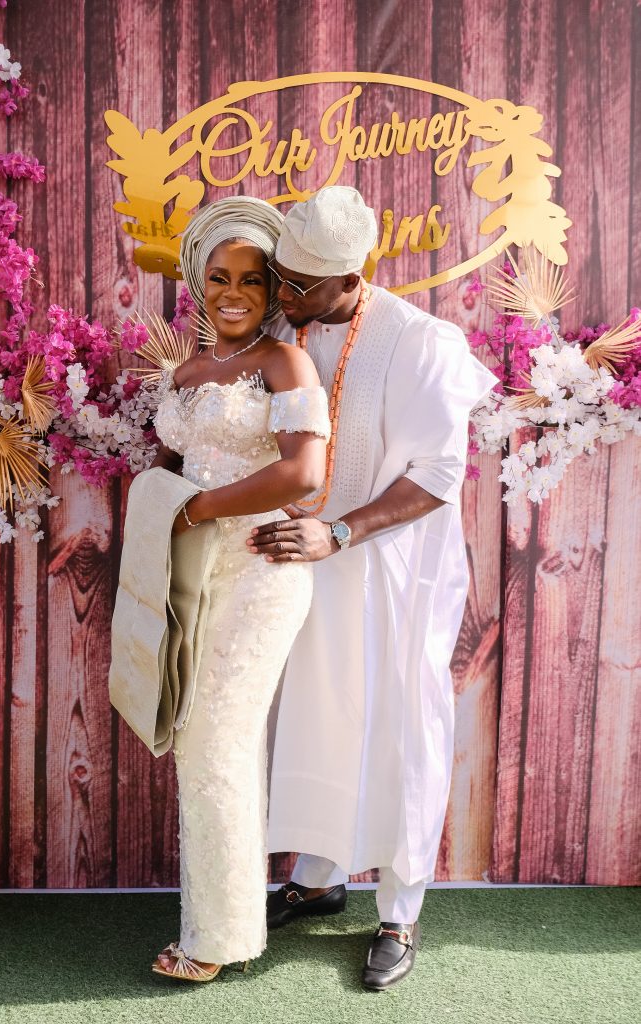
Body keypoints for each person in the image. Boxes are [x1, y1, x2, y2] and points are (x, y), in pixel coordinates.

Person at [249, 186, 497, 991]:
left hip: (394, 571)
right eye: (279, 279)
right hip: (310, 564)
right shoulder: (288, 331)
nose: (282, 297)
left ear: (350, 279)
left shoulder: (423, 342)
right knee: (317, 711)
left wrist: (341, 532)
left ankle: (399, 911)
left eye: (298, 286)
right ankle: (317, 879)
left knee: (401, 726)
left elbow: (438, 473)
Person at [148, 196, 330, 982]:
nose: (233, 292)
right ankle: (222, 918)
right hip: (191, 573)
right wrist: (160, 522)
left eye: (251, 280)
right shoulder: (185, 372)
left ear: (272, 289)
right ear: (198, 281)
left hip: (259, 567)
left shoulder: (285, 363)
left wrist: (199, 509)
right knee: (197, 737)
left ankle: (215, 941)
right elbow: (174, 467)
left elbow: (303, 472)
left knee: (214, 741)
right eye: (219, 276)